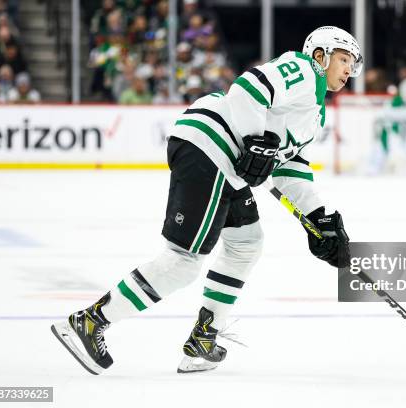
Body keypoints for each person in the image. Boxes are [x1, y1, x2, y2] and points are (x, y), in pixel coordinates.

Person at [51, 26, 361, 375]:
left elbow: (289, 168)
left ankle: (204, 336)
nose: (349, 69)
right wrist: (256, 141)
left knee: (246, 243)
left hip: (227, 163)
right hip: (211, 146)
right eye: (344, 59)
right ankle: (92, 321)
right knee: (183, 261)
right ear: (320, 54)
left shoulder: (315, 113)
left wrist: (320, 217)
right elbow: (247, 89)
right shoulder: (303, 70)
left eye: (353, 63)